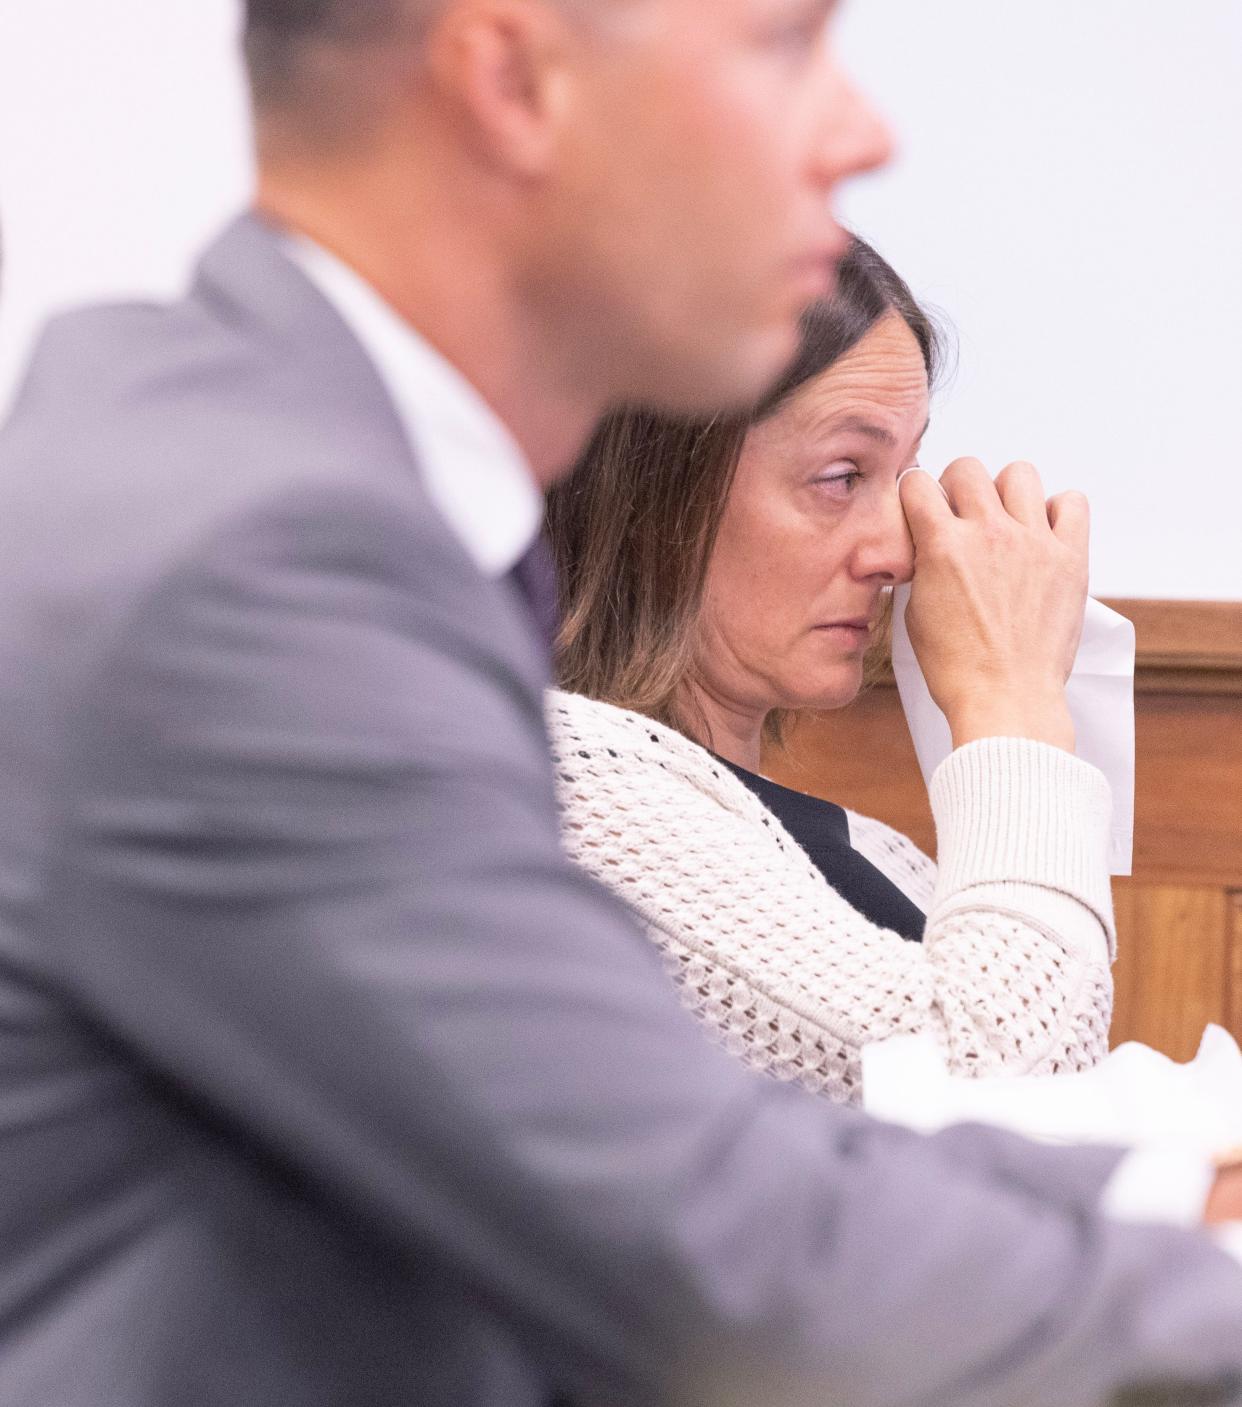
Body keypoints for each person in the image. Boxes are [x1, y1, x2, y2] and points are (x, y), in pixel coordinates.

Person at [0, 3, 1240, 1406]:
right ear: (515, 76)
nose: (861, 133)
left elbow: (704, 1145)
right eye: (782, 48)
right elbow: (720, 1243)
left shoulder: (254, 467)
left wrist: (1163, 1188)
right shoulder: (258, 565)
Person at [544, 237, 1114, 1101]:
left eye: (906, 474)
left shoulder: (870, 850)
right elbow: (1005, 1095)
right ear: (661, 489)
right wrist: (1011, 698)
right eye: (843, 475)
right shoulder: (568, 788)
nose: (897, 550)